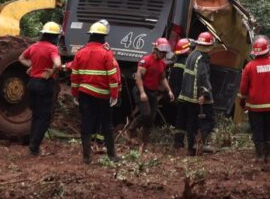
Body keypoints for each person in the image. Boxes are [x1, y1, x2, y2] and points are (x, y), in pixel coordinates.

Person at [70, 19, 121, 164]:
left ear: (90, 36)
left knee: (86, 123)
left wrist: (75, 93)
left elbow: (74, 76)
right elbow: (112, 77)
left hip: (85, 94)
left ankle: (86, 156)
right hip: (103, 96)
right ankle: (112, 155)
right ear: (103, 37)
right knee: (107, 125)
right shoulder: (107, 53)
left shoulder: (80, 53)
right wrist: (114, 95)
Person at [238, 36, 270, 162]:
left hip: (255, 106)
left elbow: (243, 87)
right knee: (269, 128)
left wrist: (242, 99)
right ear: (267, 51)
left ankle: (260, 155)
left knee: (257, 129)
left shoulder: (249, 67)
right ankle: (269, 153)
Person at [18, 21, 64, 156]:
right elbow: (58, 64)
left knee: (36, 115)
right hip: (45, 84)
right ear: (55, 37)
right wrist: (51, 71)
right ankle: (34, 147)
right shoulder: (52, 49)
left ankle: (33, 145)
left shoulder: (34, 46)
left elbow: (21, 58)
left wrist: (32, 66)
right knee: (44, 117)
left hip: (32, 83)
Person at [178, 31, 216, 155]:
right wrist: (204, 94)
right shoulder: (202, 58)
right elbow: (202, 77)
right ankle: (199, 142)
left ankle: (191, 149)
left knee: (191, 122)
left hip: (188, 95)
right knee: (210, 120)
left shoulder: (192, 54)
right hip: (198, 95)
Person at [133, 37, 175, 144]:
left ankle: (144, 141)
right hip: (141, 90)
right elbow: (138, 76)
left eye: (165, 53)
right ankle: (131, 130)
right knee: (145, 114)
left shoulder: (162, 64)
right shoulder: (146, 60)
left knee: (151, 118)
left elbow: (162, 78)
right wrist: (142, 92)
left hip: (152, 92)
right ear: (156, 50)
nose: (163, 54)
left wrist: (169, 90)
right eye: (161, 52)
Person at [169, 37, 191, 149]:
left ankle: (178, 141)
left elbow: (172, 81)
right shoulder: (188, 63)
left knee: (180, 117)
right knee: (187, 117)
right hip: (186, 95)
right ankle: (189, 142)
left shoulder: (175, 63)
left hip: (177, 94)